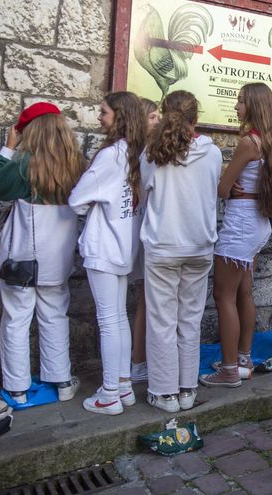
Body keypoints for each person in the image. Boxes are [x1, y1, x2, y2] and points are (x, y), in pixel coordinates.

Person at [0, 102, 86, 404]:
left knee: (16, 319)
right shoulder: (78, 164)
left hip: (23, 258)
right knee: (55, 316)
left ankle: (17, 387)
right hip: (59, 258)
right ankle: (62, 380)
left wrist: (6, 150)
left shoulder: (25, 163)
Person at [200, 83, 272, 387]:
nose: (236, 107)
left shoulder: (248, 143)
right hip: (256, 223)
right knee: (243, 292)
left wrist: (230, 185)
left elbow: (223, 188)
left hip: (240, 224)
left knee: (223, 295)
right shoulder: (269, 141)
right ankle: (242, 358)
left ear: (252, 106)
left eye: (240, 102)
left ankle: (228, 370)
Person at [139, 91, 222, 412]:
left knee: (162, 320)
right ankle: (187, 388)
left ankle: (163, 392)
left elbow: (144, 196)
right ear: (196, 118)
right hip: (199, 244)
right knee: (190, 319)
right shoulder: (213, 154)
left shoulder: (151, 153)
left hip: (163, 244)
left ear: (163, 114)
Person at [68, 92, 147, 415]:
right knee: (118, 318)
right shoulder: (138, 153)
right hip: (126, 245)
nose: (99, 118)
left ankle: (110, 393)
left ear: (120, 116)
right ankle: (123, 385)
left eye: (104, 112)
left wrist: (95, 207)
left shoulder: (111, 155)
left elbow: (77, 199)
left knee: (108, 319)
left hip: (104, 245)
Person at [129, 97, 159, 384]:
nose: (158, 120)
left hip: (141, 225)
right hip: (140, 226)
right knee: (147, 300)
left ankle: (141, 359)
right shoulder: (143, 152)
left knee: (146, 300)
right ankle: (139, 362)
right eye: (152, 117)